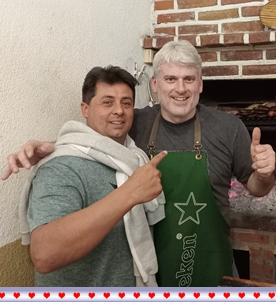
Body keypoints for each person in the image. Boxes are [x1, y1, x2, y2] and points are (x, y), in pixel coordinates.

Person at [5, 40, 276, 287]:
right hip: (152, 269)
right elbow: (96, 140)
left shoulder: (229, 128)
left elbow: (257, 188)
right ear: (155, 84)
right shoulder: (135, 121)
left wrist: (264, 174)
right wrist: (54, 147)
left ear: (200, 84)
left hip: (208, 262)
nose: (180, 88)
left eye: (189, 79)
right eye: (170, 79)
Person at [20, 66, 167, 287]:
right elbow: (44, 255)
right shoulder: (61, 167)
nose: (119, 110)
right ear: (85, 109)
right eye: (107, 102)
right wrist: (130, 193)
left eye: (126, 103)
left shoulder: (134, 158)